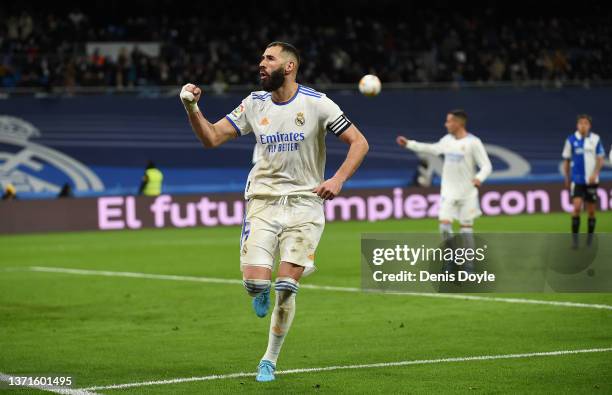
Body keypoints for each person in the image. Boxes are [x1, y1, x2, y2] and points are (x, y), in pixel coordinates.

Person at [180, 41, 369, 382]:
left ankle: (269, 358)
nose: (261, 64)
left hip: (305, 204)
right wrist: (191, 107)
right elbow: (211, 138)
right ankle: (258, 289)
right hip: (263, 203)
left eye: (269, 58)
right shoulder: (254, 103)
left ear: (289, 66)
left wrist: (338, 180)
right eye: (261, 59)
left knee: (287, 286)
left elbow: (360, 142)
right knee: (255, 284)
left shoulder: (317, 104)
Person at [396, 110, 492, 270]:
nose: (446, 124)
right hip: (448, 193)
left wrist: (479, 178)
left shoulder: (473, 142)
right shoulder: (447, 140)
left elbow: (487, 165)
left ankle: (468, 265)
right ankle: (452, 258)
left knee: (466, 231)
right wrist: (409, 144)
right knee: (444, 227)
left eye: (449, 121)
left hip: (468, 194)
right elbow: (431, 148)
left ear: (459, 123)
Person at [562, 114, 605, 247]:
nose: (583, 125)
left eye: (585, 123)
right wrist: (567, 178)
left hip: (591, 181)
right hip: (577, 180)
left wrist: (595, 173)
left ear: (589, 125)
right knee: (576, 208)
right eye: (580, 123)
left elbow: (600, 159)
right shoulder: (571, 140)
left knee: (591, 211)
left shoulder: (595, 139)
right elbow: (567, 160)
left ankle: (590, 240)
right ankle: (575, 241)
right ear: (577, 125)